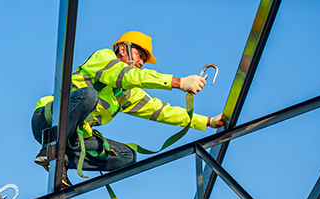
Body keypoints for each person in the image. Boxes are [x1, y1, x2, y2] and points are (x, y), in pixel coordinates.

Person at [32, 31, 224, 187]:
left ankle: (63, 158)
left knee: (127, 156)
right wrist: (178, 82)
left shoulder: (127, 94)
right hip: (47, 121)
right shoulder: (103, 58)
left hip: (74, 136)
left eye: (144, 60)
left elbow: (160, 111)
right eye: (140, 55)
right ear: (123, 49)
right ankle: (52, 150)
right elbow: (127, 76)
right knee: (89, 95)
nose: (141, 63)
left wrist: (207, 122)